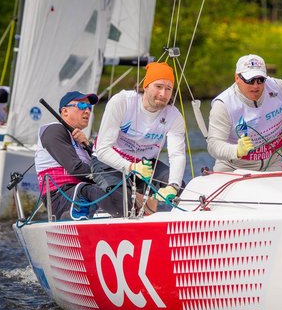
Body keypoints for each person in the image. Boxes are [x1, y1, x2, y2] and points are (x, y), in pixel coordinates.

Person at [92, 61, 186, 206]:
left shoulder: (174, 116)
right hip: (108, 163)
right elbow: (102, 149)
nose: (163, 94)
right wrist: (132, 167)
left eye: (168, 89)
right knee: (123, 201)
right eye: (158, 86)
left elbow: (177, 154)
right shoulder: (122, 102)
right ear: (146, 86)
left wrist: (173, 185)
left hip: (146, 165)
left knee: (181, 189)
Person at [35, 91, 128, 220]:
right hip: (60, 196)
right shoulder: (54, 130)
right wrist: (109, 176)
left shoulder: (81, 141)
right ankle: (125, 219)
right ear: (65, 111)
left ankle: (136, 216)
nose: (87, 111)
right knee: (96, 190)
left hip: (81, 191)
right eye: (82, 106)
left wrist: (88, 146)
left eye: (89, 108)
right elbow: (75, 168)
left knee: (121, 189)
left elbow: (100, 165)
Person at [207, 54, 282, 171]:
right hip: (233, 166)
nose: (256, 86)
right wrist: (236, 150)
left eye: (260, 80)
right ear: (237, 78)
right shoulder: (223, 104)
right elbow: (213, 145)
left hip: (272, 163)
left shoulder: (277, 87)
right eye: (250, 80)